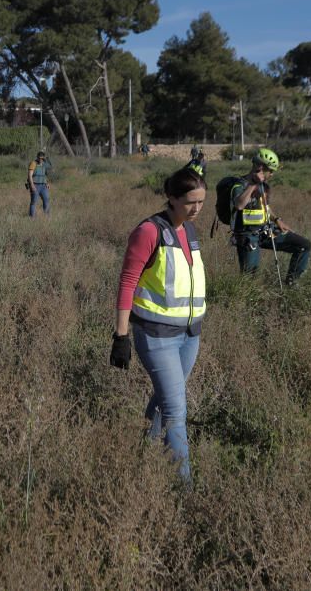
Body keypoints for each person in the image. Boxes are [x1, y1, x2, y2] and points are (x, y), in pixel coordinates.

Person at [110, 167, 207, 484]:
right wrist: (121, 335)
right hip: (156, 336)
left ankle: (144, 454)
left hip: (189, 335)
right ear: (172, 198)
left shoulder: (189, 231)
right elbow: (127, 282)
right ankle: (184, 488)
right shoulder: (149, 231)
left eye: (202, 202)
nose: (196, 209)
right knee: (177, 411)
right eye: (190, 202)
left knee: (166, 399)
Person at [230, 148, 311, 285]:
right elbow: (239, 205)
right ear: (260, 167)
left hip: (265, 231)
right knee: (250, 279)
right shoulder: (239, 185)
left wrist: (277, 219)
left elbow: (265, 208)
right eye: (270, 170)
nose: (272, 174)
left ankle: (292, 284)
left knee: (303, 245)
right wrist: (254, 184)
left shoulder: (264, 187)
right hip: (248, 237)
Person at [27, 151, 52, 217]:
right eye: (40, 158)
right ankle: (32, 218)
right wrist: (32, 185)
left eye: (42, 158)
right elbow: (30, 175)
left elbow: (45, 175)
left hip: (43, 186)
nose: (41, 160)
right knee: (34, 202)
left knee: (46, 200)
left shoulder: (44, 164)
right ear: (37, 157)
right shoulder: (33, 163)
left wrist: (47, 183)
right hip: (35, 185)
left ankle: (47, 217)